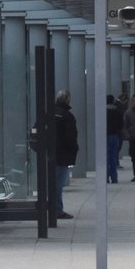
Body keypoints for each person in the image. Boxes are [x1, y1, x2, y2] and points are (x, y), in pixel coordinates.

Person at [53, 90, 79, 219]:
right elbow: (71, 137)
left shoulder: (49, 113)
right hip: (62, 155)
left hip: (49, 154)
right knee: (58, 183)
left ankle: (51, 208)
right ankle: (57, 209)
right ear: (68, 100)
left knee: (53, 183)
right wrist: (73, 150)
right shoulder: (67, 116)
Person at [105, 94, 121, 184]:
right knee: (113, 157)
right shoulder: (117, 111)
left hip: (105, 136)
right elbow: (121, 124)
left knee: (106, 157)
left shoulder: (103, 112)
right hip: (114, 135)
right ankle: (114, 177)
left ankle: (106, 177)